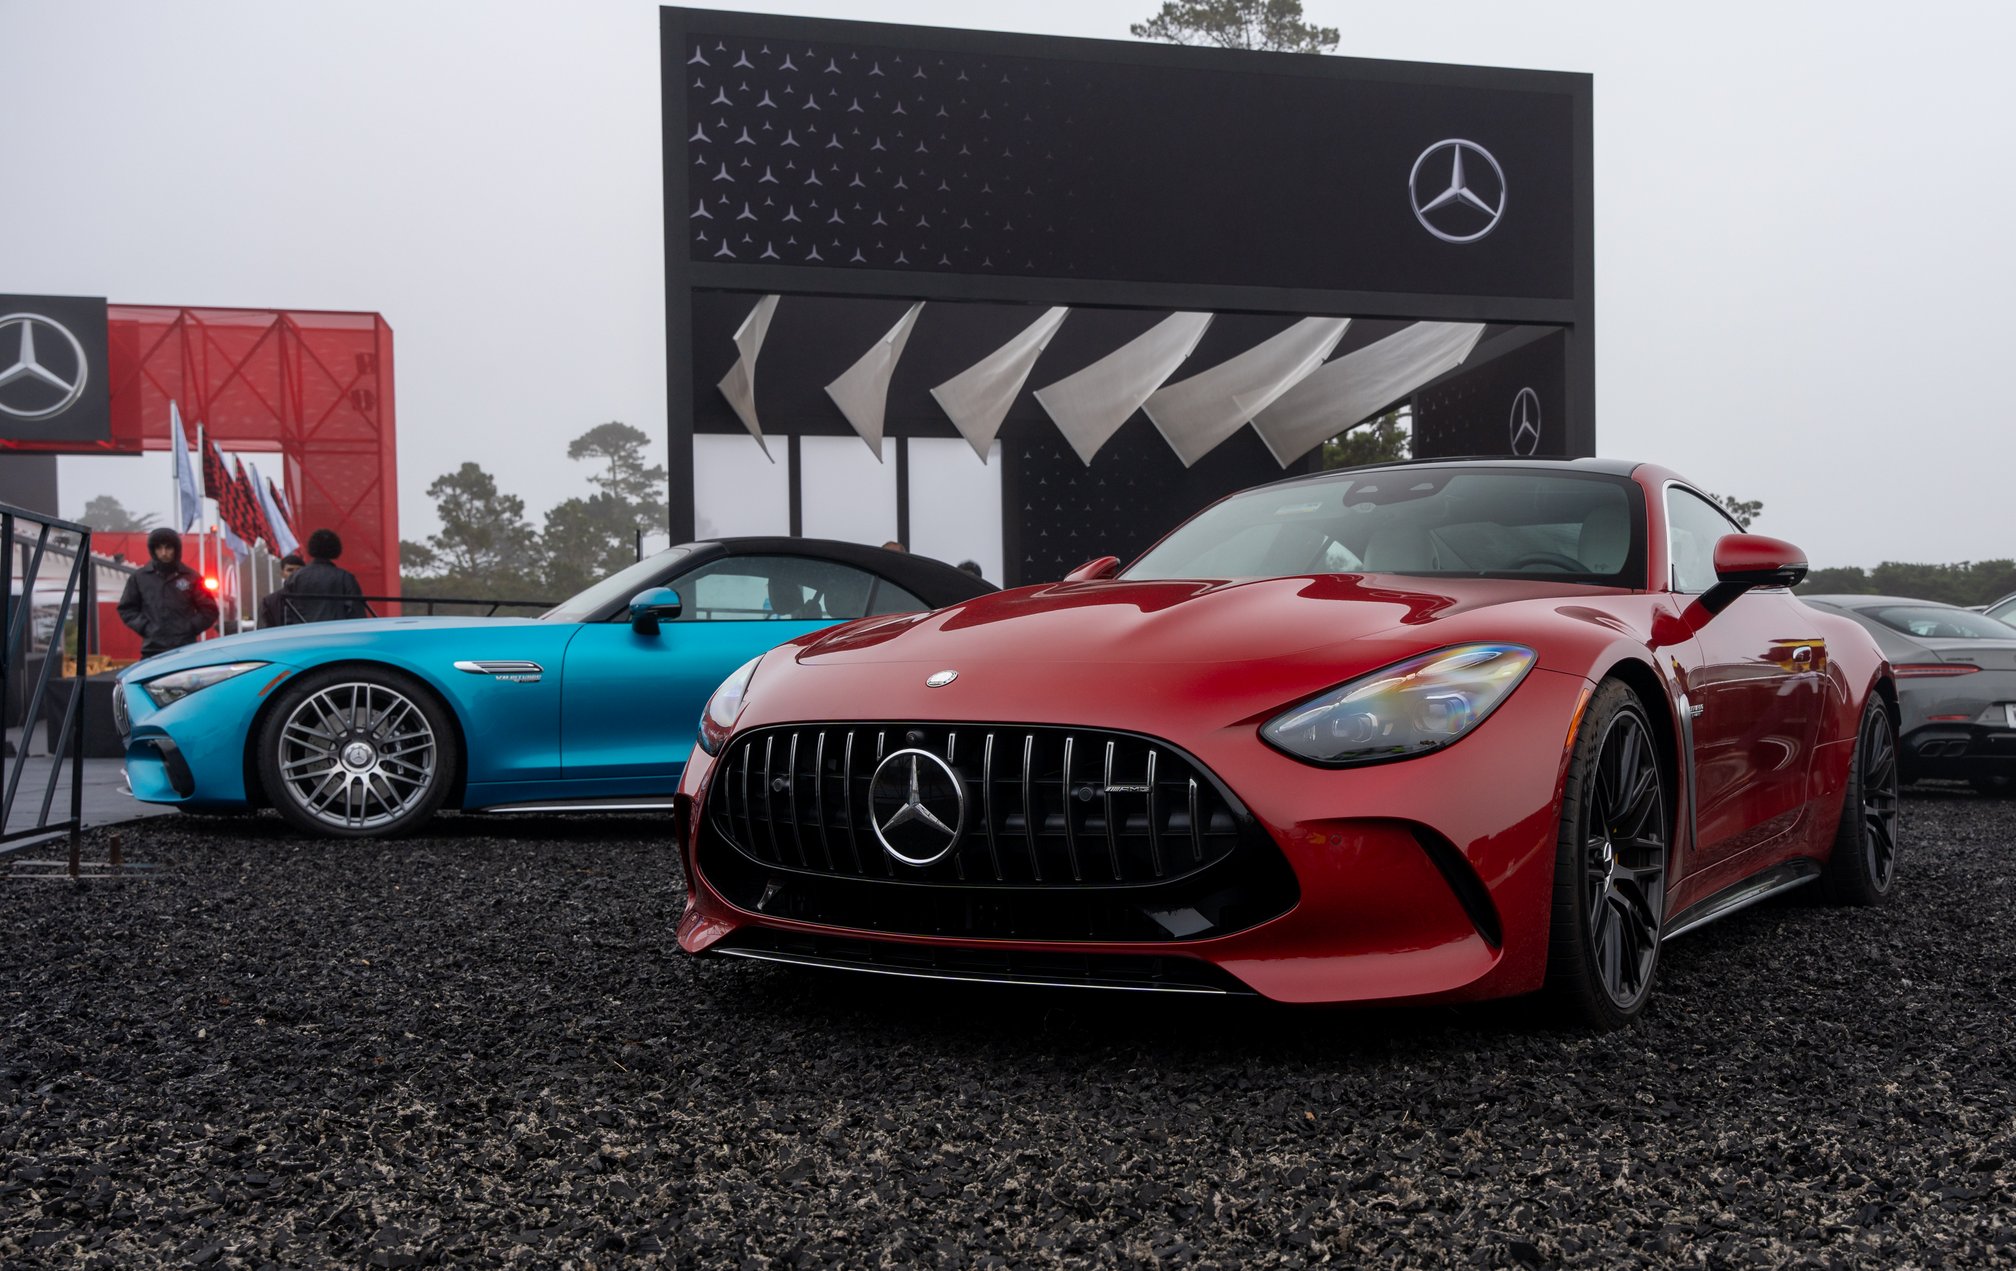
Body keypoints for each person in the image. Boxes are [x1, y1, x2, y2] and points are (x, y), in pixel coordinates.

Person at [116, 527, 219, 658]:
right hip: (152, 649)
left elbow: (209, 610)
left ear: (176, 549)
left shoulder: (192, 577)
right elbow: (126, 609)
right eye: (159, 548)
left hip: (185, 650)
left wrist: (189, 628)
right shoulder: (139, 578)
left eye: (168, 548)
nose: (164, 553)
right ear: (153, 550)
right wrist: (147, 628)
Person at [281, 529, 367, 623]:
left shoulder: (294, 578)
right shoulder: (345, 578)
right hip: (336, 633)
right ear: (335, 548)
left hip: (303, 634)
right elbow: (356, 613)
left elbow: (288, 614)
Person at [258, 553, 305, 629]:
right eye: (290, 570)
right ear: (282, 574)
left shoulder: (316, 598)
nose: (295, 573)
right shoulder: (269, 602)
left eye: (299, 570)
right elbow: (263, 631)